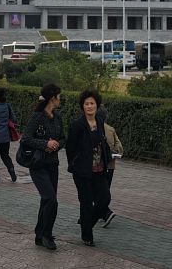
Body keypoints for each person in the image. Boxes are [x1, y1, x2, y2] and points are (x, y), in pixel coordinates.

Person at [21, 83, 65, 251]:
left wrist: (56, 145)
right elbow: (25, 139)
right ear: (52, 98)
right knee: (51, 199)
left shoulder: (58, 117)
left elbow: (63, 138)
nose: (60, 100)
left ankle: (40, 235)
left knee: (47, 199)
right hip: (38, 165)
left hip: (53, 164)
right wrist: (45, 143)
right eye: (59, 97)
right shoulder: (37, 117)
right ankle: (46, 235)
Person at [66, 89, 112, 246]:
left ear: (97, 105)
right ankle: (87, 236)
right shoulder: (77, 125)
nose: (90, 106)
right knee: (86, 202)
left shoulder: (99, 121)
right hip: (83, 171)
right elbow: (70, 149)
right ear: (82, 106)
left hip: (99, 169)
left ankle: (87, 224)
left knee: (105, 199)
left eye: (92, 103)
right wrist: (75, 164)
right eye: (86, 104)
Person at [102, 121, 123, 228]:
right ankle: (101, 213)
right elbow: (119, 149)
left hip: (98, 166)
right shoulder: (111, 129)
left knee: (96, 191)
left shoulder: (92, 127)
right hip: (110, 166)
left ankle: (106, 213)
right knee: (105, 190)